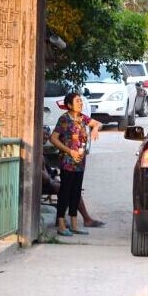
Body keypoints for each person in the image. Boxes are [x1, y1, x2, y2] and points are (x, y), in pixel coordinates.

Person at [49, 92, 102, 236]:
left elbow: (97, 123)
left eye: (81, 101)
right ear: (70, 105)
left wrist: (95, 128)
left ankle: (74, 224)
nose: (81, 103)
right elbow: (53, 138)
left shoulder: (82, 118)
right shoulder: (64, 119)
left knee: (76, 193)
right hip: (67, 162)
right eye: (77, 101)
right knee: (65, 193)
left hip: (80, 163)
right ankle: (61, 225)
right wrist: (69, 151)